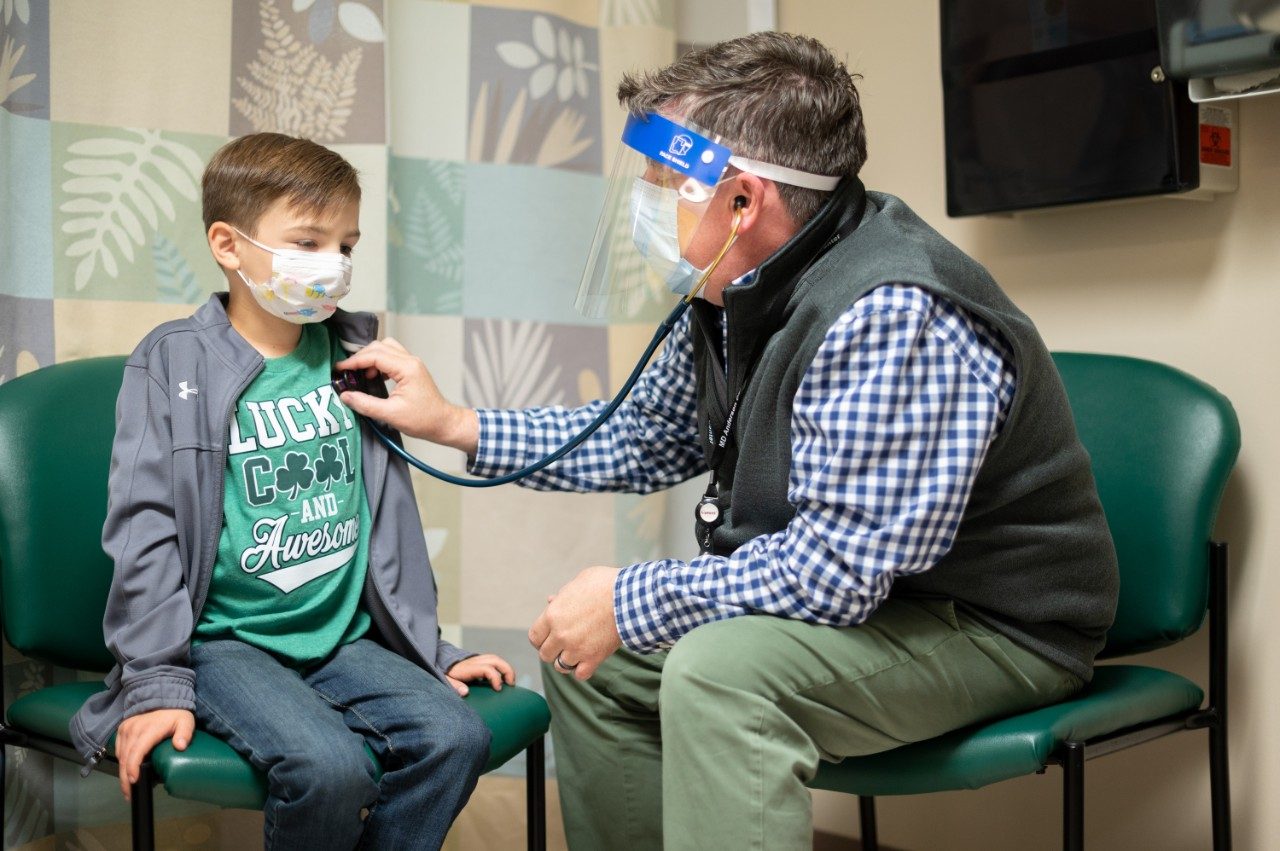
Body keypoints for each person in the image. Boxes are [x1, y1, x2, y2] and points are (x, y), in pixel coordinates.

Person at [336, 32, 1119, 851]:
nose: (645, 202)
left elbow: (839, 573)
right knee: (591, 662)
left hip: (991, 627)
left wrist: (629, 599)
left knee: (718, 672)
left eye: (664, 183)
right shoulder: (735, 290)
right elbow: (647, 435)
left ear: (743, 200)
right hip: (881, 606)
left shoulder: (892, 310)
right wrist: (455, 423)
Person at [70, 133, 515, 851]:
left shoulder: (356, 360)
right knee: (326, 767)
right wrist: (154, 679)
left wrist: (430, 648)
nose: (333, 264)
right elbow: (144, 524)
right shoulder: (172, 361)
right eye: (308, 240)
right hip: (223, 642)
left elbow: (388, 518)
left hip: (337, 634)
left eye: (346, 244)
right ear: (228, 244)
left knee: (457, 736)